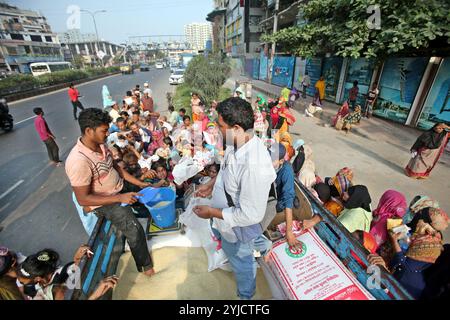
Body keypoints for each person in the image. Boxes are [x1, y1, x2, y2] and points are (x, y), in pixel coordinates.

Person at [193, 97, 277, 300]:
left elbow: (250, 215)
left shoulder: (254, 165)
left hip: (237, 225)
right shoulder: (235, 143)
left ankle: (245, 296)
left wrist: (212, 212)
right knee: (247, 241)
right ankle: (264, 245)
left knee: (242, 263)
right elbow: (226, 170)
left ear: (237, 127)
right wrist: (211, 184)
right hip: (228, 220)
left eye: (220, 126)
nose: (217, 130)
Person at [65, 108, 156, 277]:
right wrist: (120, 197)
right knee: (134, 230)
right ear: (88, 131)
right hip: (104, 201)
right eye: (104, 131)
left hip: (118, 189)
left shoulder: (101, 144)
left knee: (149, 193)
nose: (107, 134)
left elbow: (116, 168)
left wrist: (140, 183)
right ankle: (146, 267)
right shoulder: (78, 161)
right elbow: (83, 199)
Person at [389, 207, 449, 299]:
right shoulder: (431, 238)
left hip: (405, 289)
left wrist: (394, 242)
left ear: (427, 224)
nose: (417, 218)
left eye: (421, 217)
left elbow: (404, 266)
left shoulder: (428, 243)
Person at [16, 247, 119, 300]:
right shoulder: (66, 270)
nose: (21, 284)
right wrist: (77, 260)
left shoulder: (55, 291)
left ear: (38, 278)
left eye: (23, 282)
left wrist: (95, 295)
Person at [267, 143, 300, 250]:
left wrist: (289, 232)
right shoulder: (265, 164)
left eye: (272, 159)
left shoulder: (286, 171)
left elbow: (288, 201)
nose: (268, 161)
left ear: (281, 161)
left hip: (278, 202)